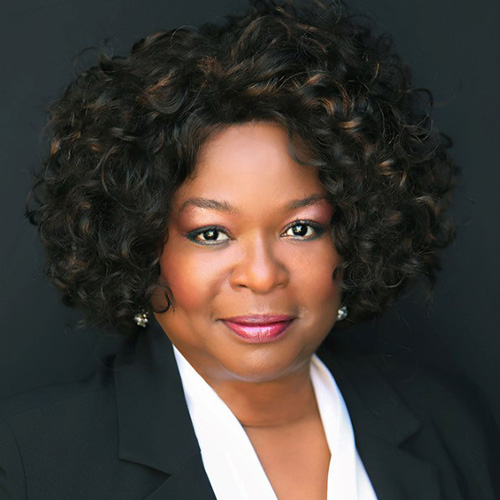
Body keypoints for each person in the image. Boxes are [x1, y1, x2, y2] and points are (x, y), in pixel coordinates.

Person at [0, 0, 497, 499]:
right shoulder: (31, 464)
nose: (261, 276)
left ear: (355, 236)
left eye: (301, 228)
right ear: (139, 246)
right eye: (211, 234)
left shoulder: (450, 424)